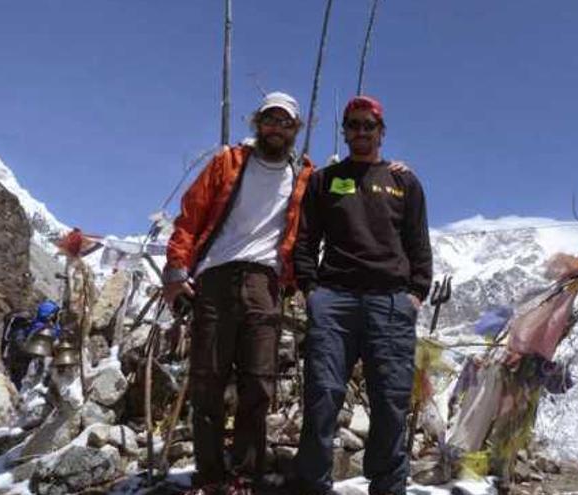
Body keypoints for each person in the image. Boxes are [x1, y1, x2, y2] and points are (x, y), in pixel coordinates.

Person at [164, 91, 313, 494]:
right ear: (257, 123)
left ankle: (246, 474)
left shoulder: (303, 175)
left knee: (258, 383)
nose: (276, 128)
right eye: (270, 120)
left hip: (265, 284)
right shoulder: (227, 162)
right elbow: (190, 216)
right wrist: (176, 271)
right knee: (207, 379)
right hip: (215, 279)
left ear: (295, 130)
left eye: (285, 122)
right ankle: (211, 474)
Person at [292, 96, 433, 495]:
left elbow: (418, 244)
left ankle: (387, 487)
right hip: (333, 300)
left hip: (390, 303)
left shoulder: (404, 181)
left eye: (368, 125)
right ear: (345, 131)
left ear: (381, 131)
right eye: (353, 125)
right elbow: (305, 240)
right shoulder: (324, 179)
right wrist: (310, 289)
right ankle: (312, 486)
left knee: (390, 402)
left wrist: (416, 294)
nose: (361, 131)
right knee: (322, 395)